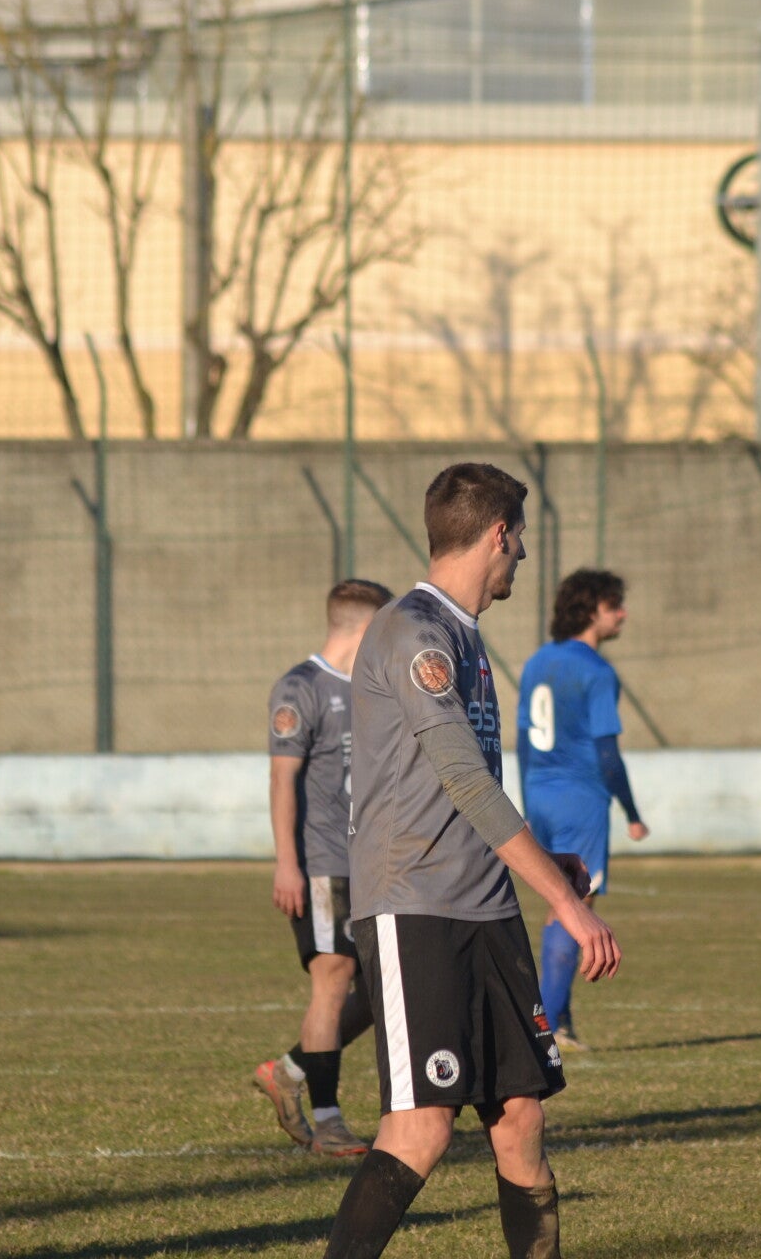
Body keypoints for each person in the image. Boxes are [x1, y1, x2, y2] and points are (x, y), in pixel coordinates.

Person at [324, 462, 620, 1259]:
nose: (523, 553)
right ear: (497, 534)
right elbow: (463, 776)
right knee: (421, 1129)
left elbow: (464, 791)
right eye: (519, 538)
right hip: (416, 905)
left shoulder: (462, 633)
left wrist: (547, 862)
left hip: (484, 904)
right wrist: (567, 902)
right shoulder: (417, 632)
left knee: (520, 1118)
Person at [253, 579, 395, 1157]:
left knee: (381, 987)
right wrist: (287, 864)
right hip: (322, 862)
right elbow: (281, 779)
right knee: (334, 979)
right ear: (365, 629)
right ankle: (329, 1121)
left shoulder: (374, 688)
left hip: (371, 861)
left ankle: (289, 1070)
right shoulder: (302, 687)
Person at [517, 568, 649, 1051]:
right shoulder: (596, 671)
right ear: (591, 612)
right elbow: (607, 753)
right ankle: (547, 1027)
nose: (623, 614)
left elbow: (524, 741)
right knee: (573, 905)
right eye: (614, 606)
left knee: (559, 900)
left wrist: (527, 804)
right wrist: (631, 812)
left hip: (541, 793)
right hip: (581, 797)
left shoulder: (538, 661)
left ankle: (561, 1021)